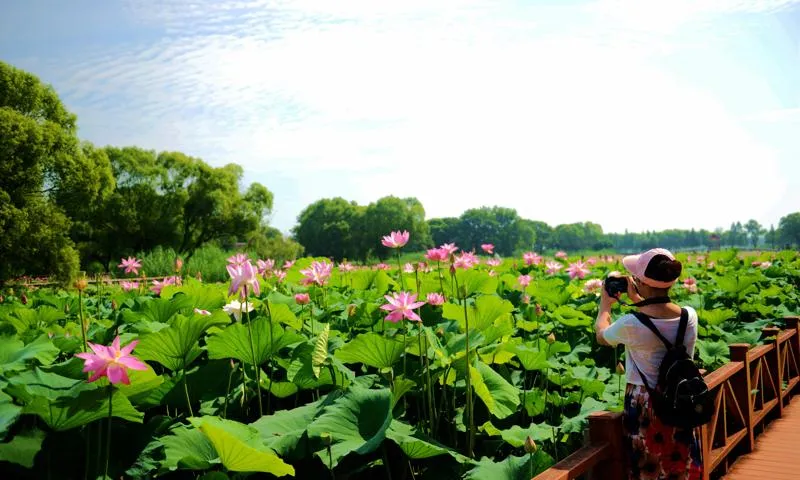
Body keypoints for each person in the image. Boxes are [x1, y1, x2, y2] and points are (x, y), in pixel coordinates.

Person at [594, 248, 703, 480]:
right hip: (681, 398)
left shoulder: (631, 324)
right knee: (679, 466)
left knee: (648, 468)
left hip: (645, 402)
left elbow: (602, 335)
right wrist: (638, 299)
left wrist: (605, 305)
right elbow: (659, 315)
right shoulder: (689, 316)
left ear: (641, 282)